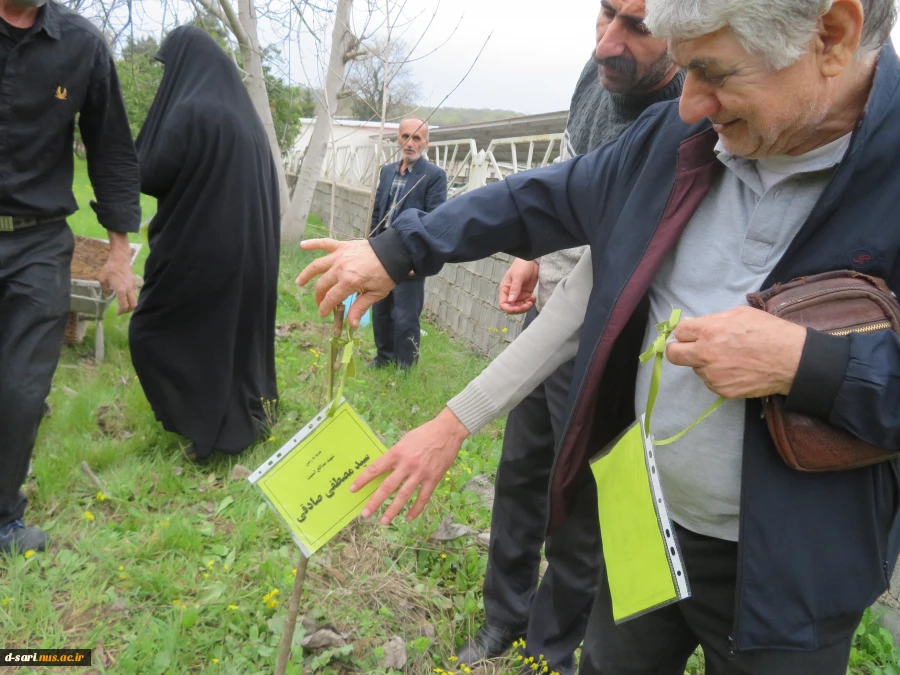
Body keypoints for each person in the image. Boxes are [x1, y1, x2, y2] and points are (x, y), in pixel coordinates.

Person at [298, 0, 900, 671]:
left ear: (832, 35)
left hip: (793, 575)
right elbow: (543, 198)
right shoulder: (678, 141)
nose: (690, 103)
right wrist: (400, 248)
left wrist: (805, 362)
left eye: (714, 72)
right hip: (642, 521)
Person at [454, 3, 683, 672]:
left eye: (636, 26)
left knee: (581, 499)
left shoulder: (690, 111)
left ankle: (548, 648)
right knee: (522, 468)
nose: (609, 42)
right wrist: (532, 252)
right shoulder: (599, 75)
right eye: (605, 14)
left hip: (610, 328)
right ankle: (503, 616)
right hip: (552, 300)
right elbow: (568, 178)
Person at [0, 0, 140, 555]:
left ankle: (5, 517)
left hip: (37, 240)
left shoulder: (82, 46)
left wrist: (119, 252)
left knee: (23, 388)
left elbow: (111, 149)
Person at [131, 26, 280, 461]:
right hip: (252, 251)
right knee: (231, 337)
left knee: (150, 332)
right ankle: (241, 417)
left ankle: (208, 427)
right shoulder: (244, 116)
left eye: (167, 68)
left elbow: (151, 171)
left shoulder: (192, 109)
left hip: (203, 250)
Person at [368, 118, 447, 369]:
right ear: (398, 139)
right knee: (380, 310)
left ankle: (404, 369)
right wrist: (370, 246)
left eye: (416, 138)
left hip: (409, 256)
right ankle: (383, 358)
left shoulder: (433, 176)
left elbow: (435, 222)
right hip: (381, 253)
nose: (410, 143)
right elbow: (378, 211)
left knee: (405, 315)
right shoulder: (387, 171)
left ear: (426, 143)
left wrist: (420, 262)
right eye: (405, 137)